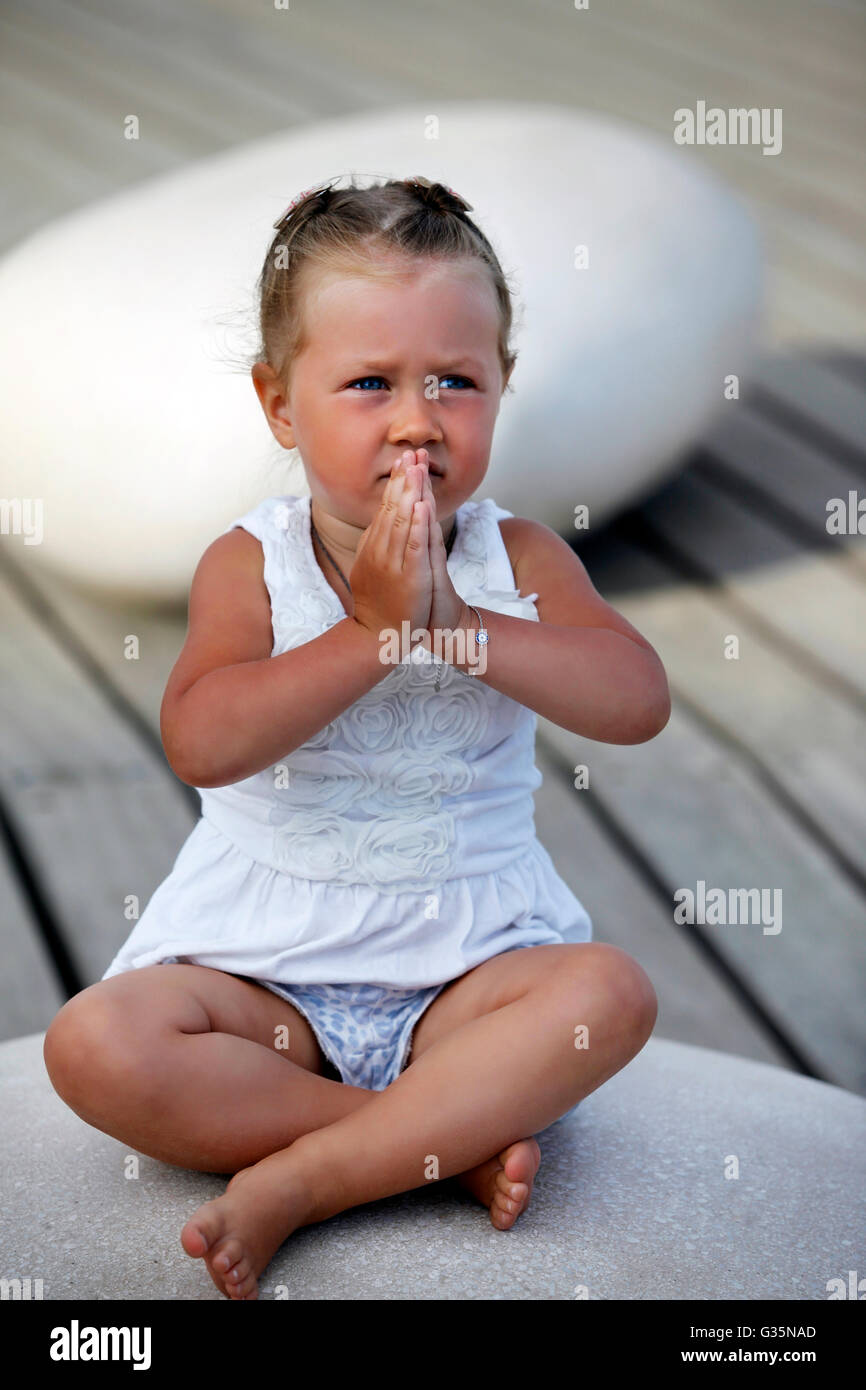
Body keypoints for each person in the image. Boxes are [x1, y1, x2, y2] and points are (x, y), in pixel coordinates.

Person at [43, 176, 669, 1300]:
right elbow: (202, 737)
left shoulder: (516, 557)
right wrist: (376, 635)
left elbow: (634, 697)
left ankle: (314, 1174)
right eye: (369, 382)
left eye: (455, 382)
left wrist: (459, 628)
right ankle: (431, 1142)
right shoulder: (252, 561)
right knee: (95, 1047)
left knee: (606, 995)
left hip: (466, 982)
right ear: (279, 404)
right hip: (266, 982)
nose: (416, 418)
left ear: (502, 386)